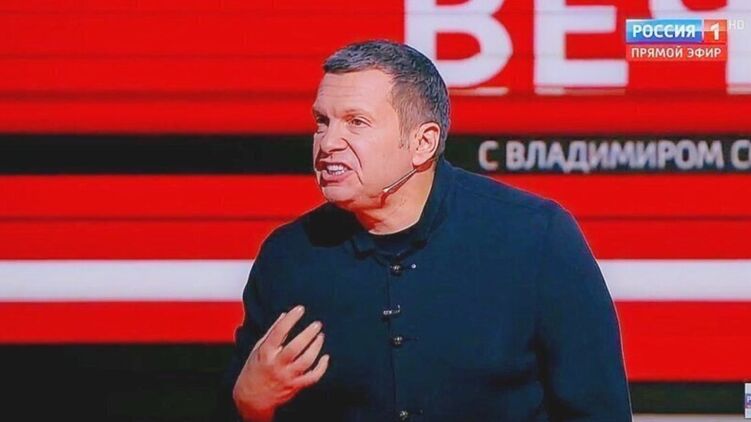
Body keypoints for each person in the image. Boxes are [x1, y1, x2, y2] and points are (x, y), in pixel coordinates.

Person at [217, 39, 632, 421]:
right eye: (322, 121)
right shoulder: (289, 256)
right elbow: (240, 404)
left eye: (356, 122)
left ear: (423, 143)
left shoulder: (536, 237)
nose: (328, 143)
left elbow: (598, 411)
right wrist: (250, 402)